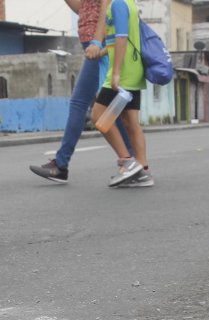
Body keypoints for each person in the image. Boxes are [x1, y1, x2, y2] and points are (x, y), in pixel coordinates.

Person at [28, 0, 132, 185]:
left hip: (98, 46)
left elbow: (104, 10)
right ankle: (134, 164)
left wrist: (96, 42)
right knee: (109, 110)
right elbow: (83, 9)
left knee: (86, 105)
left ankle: (61, 165)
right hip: (94, 45)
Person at [90, 0, 150, 187]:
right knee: (130, 122)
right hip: (132, 68)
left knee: (98, 116)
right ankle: (142, 171)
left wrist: (115, 72)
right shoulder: (128, 3)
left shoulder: (118, 4)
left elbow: (121, 38)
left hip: (123, 72)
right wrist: (101, 52)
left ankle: (127, 162)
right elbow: (116, 40)